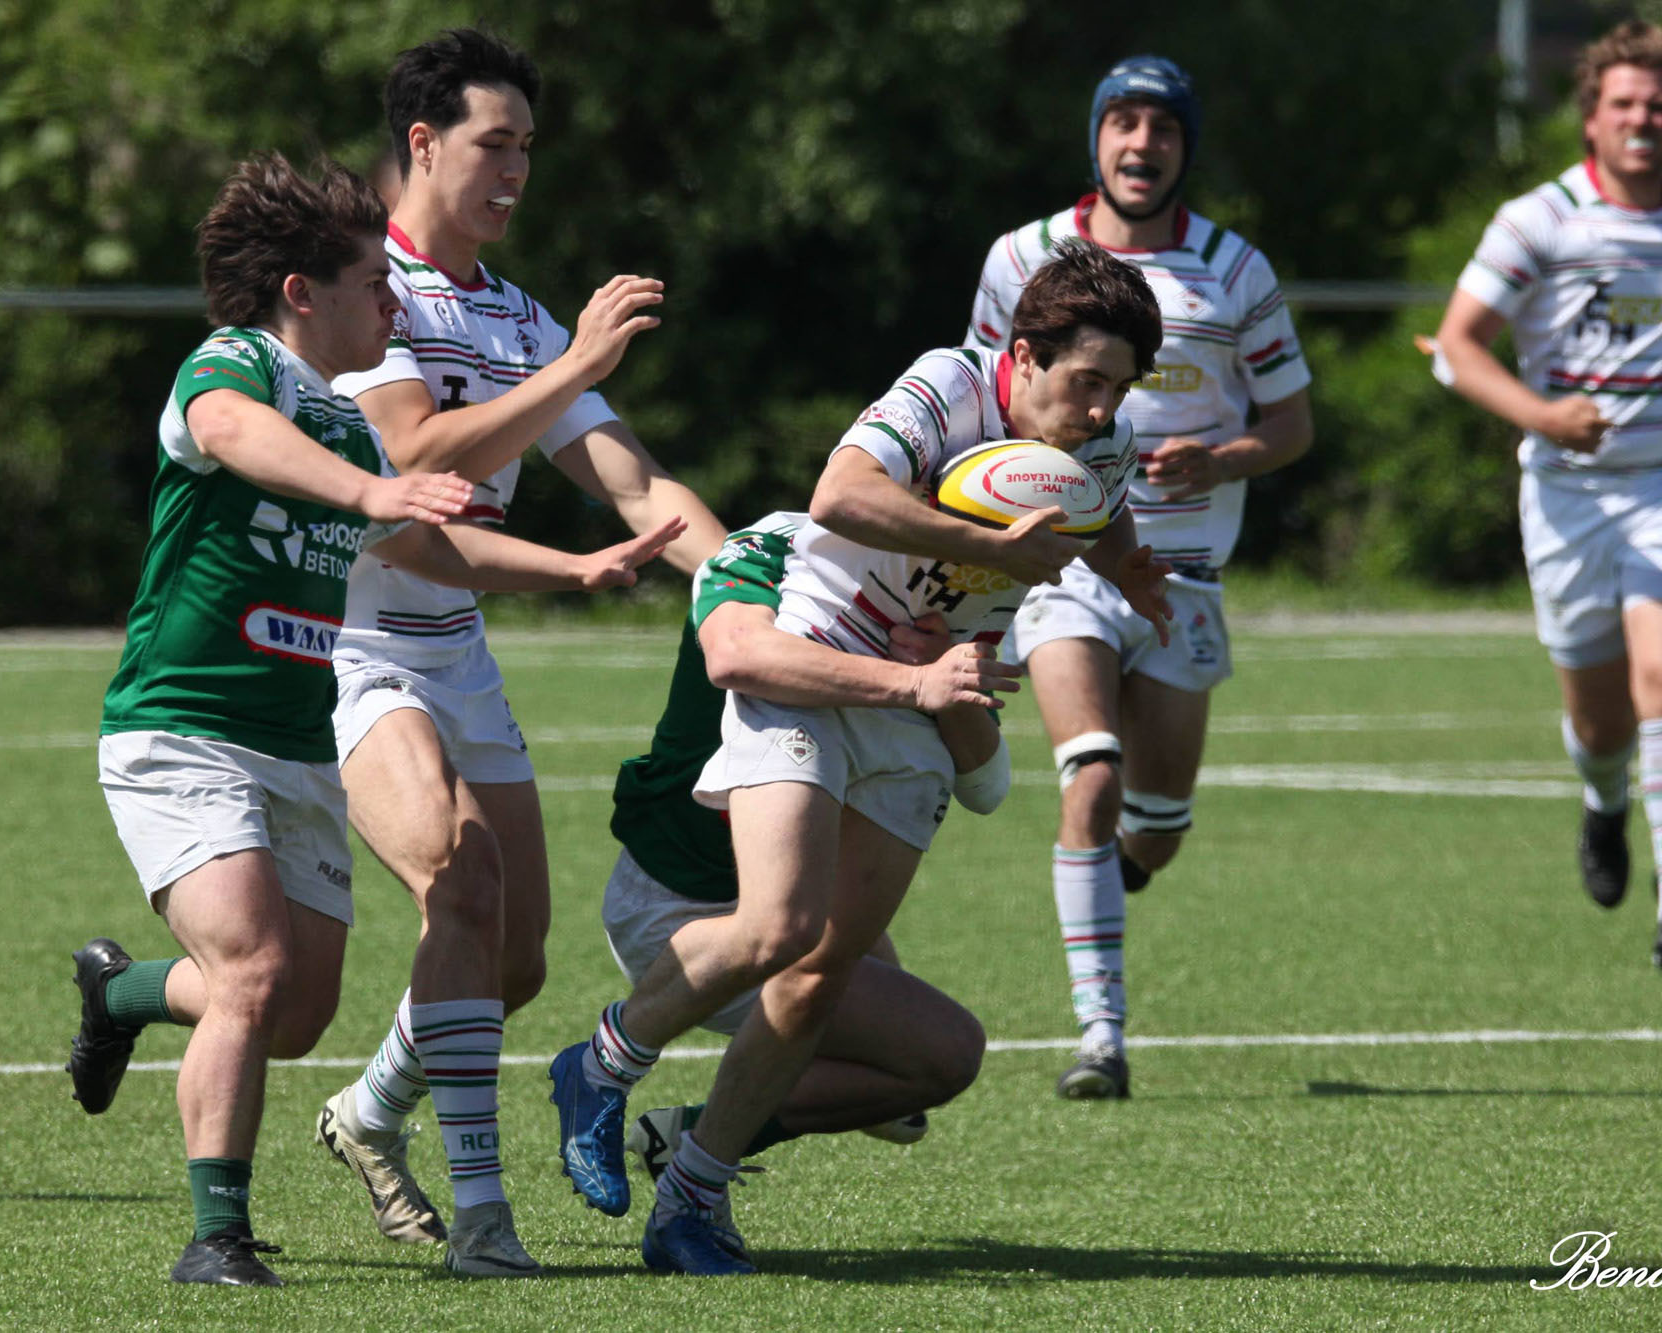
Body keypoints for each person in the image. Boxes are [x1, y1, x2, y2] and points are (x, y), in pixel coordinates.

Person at [66, 152, 680, 1287]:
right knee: (253, 966)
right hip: (181, 728)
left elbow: (428, 547)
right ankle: (216, 1236)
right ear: (301, 294)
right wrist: (369, 489)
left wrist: (576, 569)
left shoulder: (349, 433)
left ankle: (123, 991)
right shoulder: (235, 364)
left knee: (293, 1010)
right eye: (371, 285)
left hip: (295, 744)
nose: (394, 305)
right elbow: (233, 431)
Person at [553, 239, 1169, 1275]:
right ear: (1024, 355)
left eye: (1119, 388)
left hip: (923, 691)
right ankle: (602, 1064)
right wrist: (985, 549)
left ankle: (694, 1195)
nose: (1101, 409)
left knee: (818, 973)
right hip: (817, 645)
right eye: (1086, 382)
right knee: (780, 923)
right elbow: (839, 494)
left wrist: (1128, 568)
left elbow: (1100, 511)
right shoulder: (947, 384)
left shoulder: (1099, 444)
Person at [309, 28, 726, 1272]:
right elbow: (414, 452)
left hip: (457, 646)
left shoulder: (513, 313)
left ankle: (367, 1111)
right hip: (349, 644)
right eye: (495, 143)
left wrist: (752, 580)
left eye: (528, 148)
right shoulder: (363, 283)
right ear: (423, 143)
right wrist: (579, 362)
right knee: (462, 880)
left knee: (515, 957)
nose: (516, 171)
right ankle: (483, 1220)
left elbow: (633, 482)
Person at [965, 56, 1314, 1097]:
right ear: (1096, 137)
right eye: (1122, 121)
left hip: (1182, 573)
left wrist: (1224, 459)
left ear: (1183, 148)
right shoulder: (1020, 255)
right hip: (1061, 561)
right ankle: (1101, 1037)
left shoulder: (1234, 269)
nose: (1140, 142)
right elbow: (984, 394)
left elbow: (1293, 424)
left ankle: (1105, 882)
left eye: (1162, 126)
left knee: (1155, 826)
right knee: (1093, 774)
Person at [1431, 21, 1662, 980]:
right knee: (1602, 724)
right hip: (1567, 499)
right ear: (1592, 117)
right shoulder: (1539, 220)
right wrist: (1542, 416)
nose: (1645, 119)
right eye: (1626, 104)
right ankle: (1604, 801)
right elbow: (1461, 346)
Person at [552, 511, 1016, 1257]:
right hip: (680, 897)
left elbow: (987, 780)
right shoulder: (774, 549)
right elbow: (738, 654)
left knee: (934, 1062)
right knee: (784, 936)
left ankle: (691, 1153)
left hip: (810, 913)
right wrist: (911, 681)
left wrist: (946, 674)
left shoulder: (954, 594)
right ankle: (606, 1074)